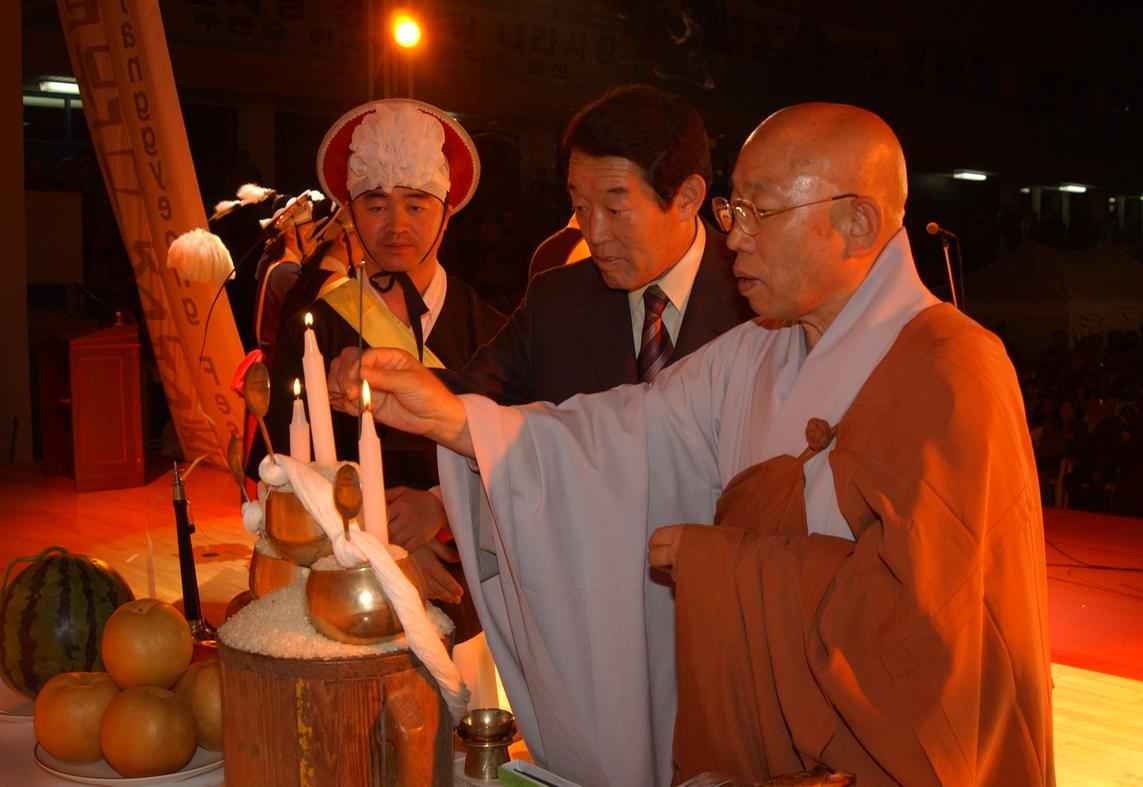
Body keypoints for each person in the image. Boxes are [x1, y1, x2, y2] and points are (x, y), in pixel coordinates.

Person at [332, 104, 1055, 786]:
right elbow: (621, 434)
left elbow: (934, 635)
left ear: (856, 223)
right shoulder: (753, 353)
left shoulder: (953, 369)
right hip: (756, 743)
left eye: (760, 212)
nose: (734, 236)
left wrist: (723, 568)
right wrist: (456, 421)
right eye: (734, 211)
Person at [253, 99, 506, 617]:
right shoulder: (314, 328)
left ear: (447, 214)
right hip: (346, 578)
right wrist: (387, 545)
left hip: (472, 573)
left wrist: (440, 508)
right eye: (375, 206)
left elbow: (521, 449)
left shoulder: (492, 328)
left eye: (416, 206)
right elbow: (281, 465)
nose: (396, 226)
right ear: (350, 214)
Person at [441, 83, 753, 407]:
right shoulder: (555, 301)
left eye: (615, 210)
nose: (594, 234)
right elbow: (466, 399)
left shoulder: (757, 300)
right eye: (581, 207)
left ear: (686, 198)